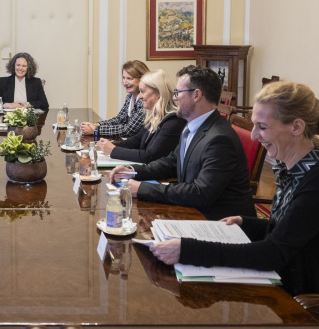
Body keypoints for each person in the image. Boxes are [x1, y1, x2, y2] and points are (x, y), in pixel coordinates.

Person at [149, 81, 319, 329]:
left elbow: (273, 252)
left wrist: (188, 250)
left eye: (263, 127)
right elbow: (290, 230)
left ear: (297, 127)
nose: (255, 136)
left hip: (311, 309)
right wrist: (247, 223)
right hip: (282, 287)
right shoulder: (295, 168)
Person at [111, 65, 254, 220]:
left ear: (197, 95)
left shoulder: (219, 139)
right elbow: (171, 162)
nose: (174, 97)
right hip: (193, 211)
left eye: (178, 93)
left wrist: (142, 189)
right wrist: (132, 171)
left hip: (217, 221)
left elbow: (200, 193)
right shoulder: (192, 126)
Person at [97, 69, 185, 164]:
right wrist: (110, 145)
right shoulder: (154, 115)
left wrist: (113, 150)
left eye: (142, 91)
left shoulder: (174, 121)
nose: (139, 97)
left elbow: (150, 156)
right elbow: (135, 141)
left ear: (159, 93)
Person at [81, 60, 149, 138]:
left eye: (129, 78)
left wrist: (96, 129)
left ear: (142, 79)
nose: (125, 82)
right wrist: (97, 125)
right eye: (123, 78)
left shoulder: (145, 101)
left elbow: (128, 130)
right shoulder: (130, 97)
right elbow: (119, 119)